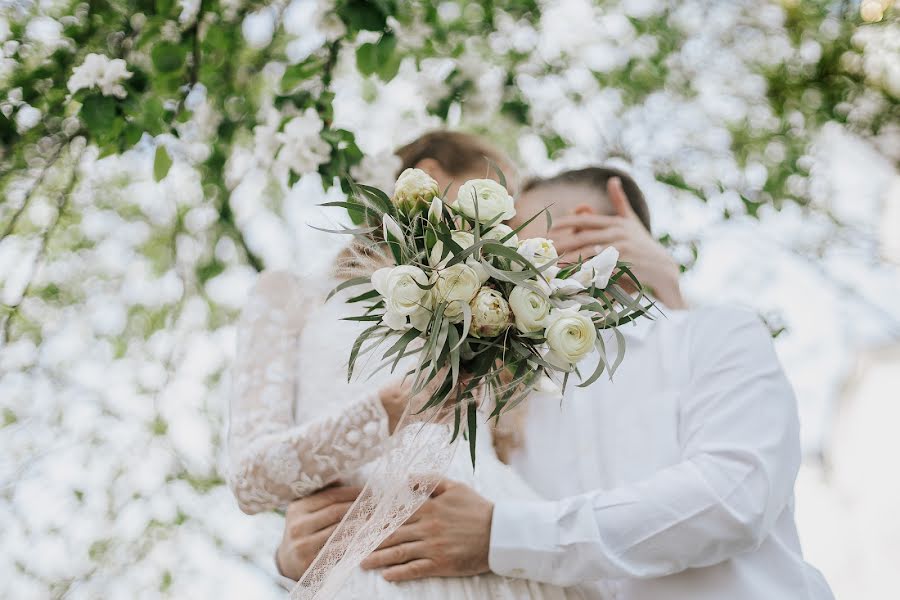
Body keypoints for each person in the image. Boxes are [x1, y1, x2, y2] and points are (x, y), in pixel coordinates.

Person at [277, 167, 835, 600]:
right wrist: (301, 554)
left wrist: (501, 535)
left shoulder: (712, 334)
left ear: (587, 223)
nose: (492, 258)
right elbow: (419, 506)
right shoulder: (498, 398)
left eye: (512, 233)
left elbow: (732, 499)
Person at [228, 133, 682, 598]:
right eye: (501, 213)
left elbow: (582, 453)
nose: (509, 238)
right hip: (377, 563)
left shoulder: (495, 328)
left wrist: (665, 284)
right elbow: (250, 480)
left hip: (488, 546)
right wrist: (391, 408)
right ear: (432, 180)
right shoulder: (291, 295)